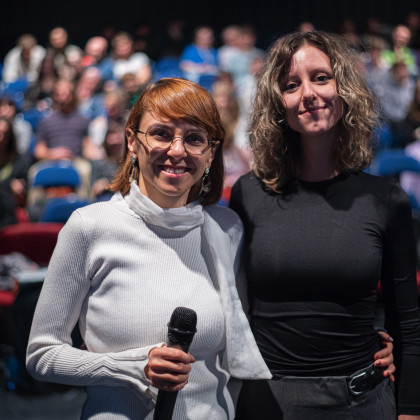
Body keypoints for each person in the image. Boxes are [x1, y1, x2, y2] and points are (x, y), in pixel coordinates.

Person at [26, 78, 272, 419]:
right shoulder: (89, 226)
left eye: (194, 139)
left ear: (211, 153)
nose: (177, 150)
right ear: (132, 140)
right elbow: (41, 354)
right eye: (161, 134)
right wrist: (132, 366)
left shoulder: (227, 229)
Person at [229, 31, 420, 419]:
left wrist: (411, 411)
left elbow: (408, 325)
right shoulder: (247, 194)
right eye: (291, 85)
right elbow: (232, 307)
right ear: (277, 103)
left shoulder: (386, 200)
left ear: (344, 88)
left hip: (361, 402)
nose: (309, 94)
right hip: (268, 402)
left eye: (321, 78)